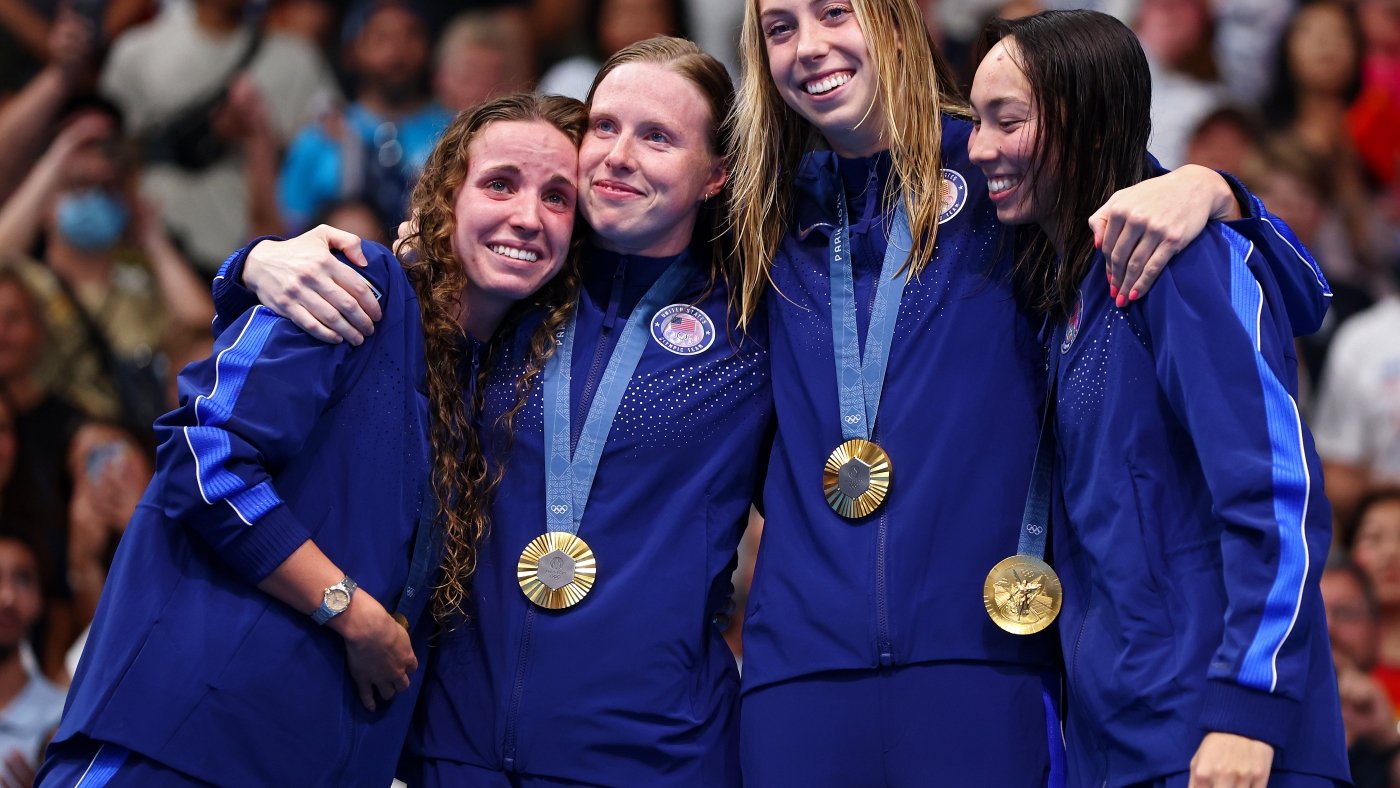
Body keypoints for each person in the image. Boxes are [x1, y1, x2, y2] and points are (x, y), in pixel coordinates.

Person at [726, 0, 1330, 784]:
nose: (810, 46)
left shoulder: (999, 166)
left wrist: (1215, 189)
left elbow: (1290, 294)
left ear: (897, 22)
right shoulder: (755, 212)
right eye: (780, 28)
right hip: (804, 668)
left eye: (835, 12)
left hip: (990, 663)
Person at [222, 36, 771, 785]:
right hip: (454, 746)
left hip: (653, 755)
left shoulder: (756, 323)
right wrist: (251, 262)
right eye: (604, 127)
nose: (618, 155)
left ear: (717, 175)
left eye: (659, 137)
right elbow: (353, 302)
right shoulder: (514, 287)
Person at [36, 92, 585, 788]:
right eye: (500, 183)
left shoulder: (491, 388)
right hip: (178, 746)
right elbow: (203, 458)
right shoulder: (358, 283)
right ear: (448, 196)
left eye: (558, 197)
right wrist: (351, 613)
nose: (527, 216)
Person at [967, 9, 1347, 786]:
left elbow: (1278, 493)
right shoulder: (1066, 292)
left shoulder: (1181, 259)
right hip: (1120, 743)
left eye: (1005, 120)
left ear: (1079, 118)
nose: (978, 149)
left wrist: (1250, 706)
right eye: (976, 121)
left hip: (1225, 742)